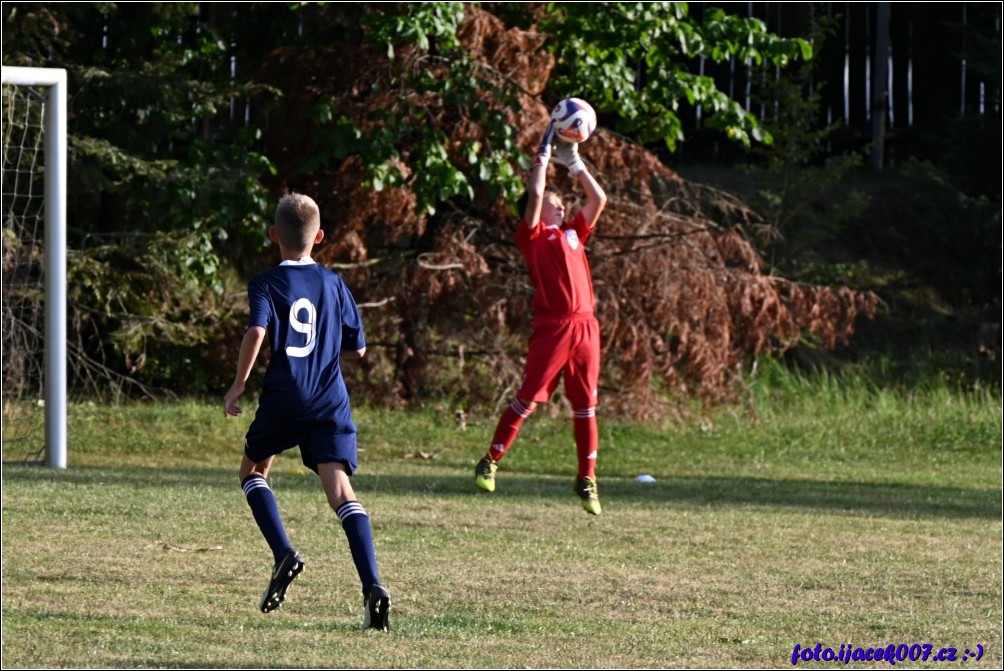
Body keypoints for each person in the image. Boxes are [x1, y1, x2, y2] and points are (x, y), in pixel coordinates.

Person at [224, 193, 391, 631]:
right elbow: (358, 347)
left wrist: (239, 383)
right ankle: (372, 584)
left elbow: (257, 330)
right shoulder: (335, 283)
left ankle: (283, 553)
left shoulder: (265, 283)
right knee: (342, 493)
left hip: (285, 394)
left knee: (252, 472)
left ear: (273, 235)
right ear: (319, 237)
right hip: (329, 398)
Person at [474, 118, 608, 515]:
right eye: (555, 200)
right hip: (554, 327)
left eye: (561, 201)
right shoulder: (532, 236)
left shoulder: (573, 233)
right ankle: (491, 460)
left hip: (587, 327)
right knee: (529, 398)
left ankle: (587, 478)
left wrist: (575, 163)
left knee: (586, 406)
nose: (561, 204)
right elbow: (533, 194)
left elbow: (598, 199)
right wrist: (544, 155)